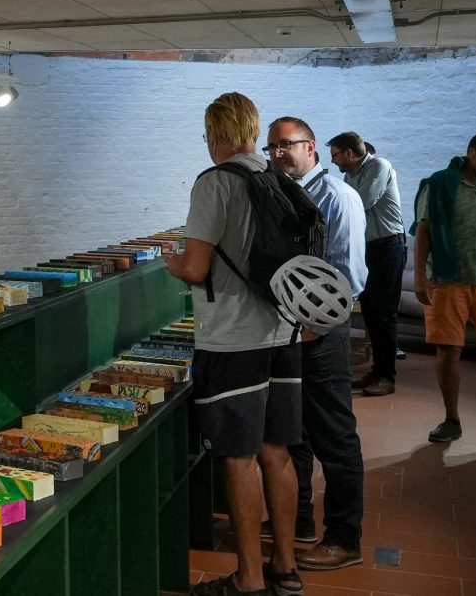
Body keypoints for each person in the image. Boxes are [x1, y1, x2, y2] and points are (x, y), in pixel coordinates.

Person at [166, 93, 304, 596]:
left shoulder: (215, 183)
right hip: (283, 331)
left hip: (231, 340)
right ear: (252, 129)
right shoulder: (279, 178)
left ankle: (248, 579)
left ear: (213, 133)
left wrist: (172, 264)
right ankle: (286, 568)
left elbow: (197, 267)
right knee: (277, 451)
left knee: (239, 456)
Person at [268, 118, 367, 572]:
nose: (277, 154)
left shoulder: (339, 197)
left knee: (334, 435)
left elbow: (349, 277)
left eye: (285, 146)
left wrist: (316, 327)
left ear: (311, 147)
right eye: (271, 148)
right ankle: (301, 520)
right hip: (292, 331)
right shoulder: (284, 192)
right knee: (298, 431)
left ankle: (345, 539)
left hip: (322, 333)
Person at [413, 132, 476, 442]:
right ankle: (451, 418)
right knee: (449, 350)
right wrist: (420, 276)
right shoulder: (440, 184)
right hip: (449, 277)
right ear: (472, 152)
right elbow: (424, 230)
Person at [329, 131, 405, 396]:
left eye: (336, 155)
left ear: (350, 153)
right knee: (371, 312)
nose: (334, 161)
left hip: (388, 246)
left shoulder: (379, 166)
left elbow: (362, 202)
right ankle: (377, 371)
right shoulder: (349, 175)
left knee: (383, 314)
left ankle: (387, 376)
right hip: (367, 247)